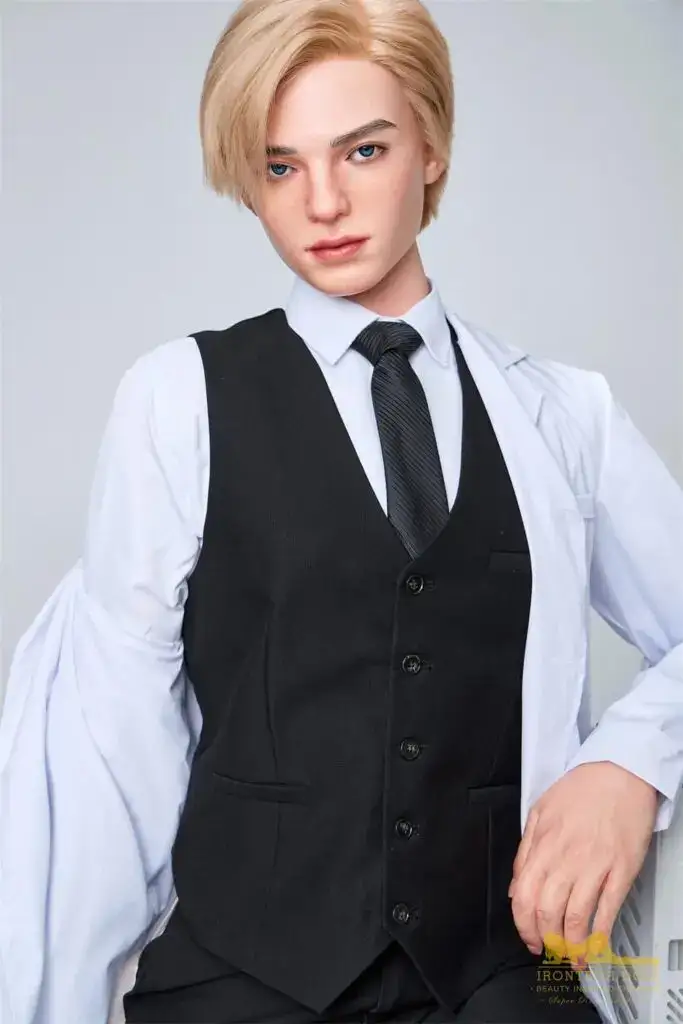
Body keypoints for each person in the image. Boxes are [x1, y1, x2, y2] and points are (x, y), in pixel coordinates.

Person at [1, 0, 682, 1021]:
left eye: (363, 151)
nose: (322, 202)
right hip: (240, 979)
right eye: (280, 167)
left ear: (432, 148)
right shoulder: (179, 398)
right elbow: (112, 746)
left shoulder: (562, 415)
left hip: (501, 972)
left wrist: (626, 768)